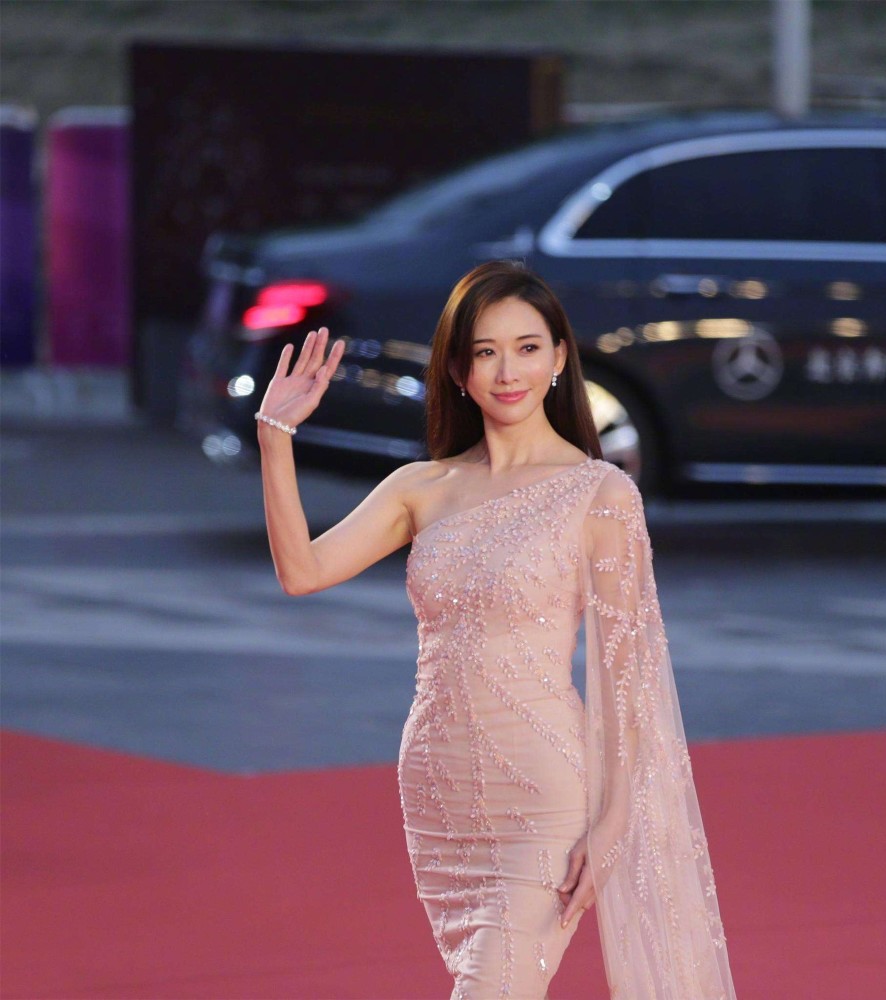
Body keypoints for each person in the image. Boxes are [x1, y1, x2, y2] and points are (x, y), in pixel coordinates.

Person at [257, 261, 737, 999]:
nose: (508, 372)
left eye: (527, 348)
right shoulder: (421, 488)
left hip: (546, 796)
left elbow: (630, 674)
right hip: (437, 788)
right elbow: (302, 570)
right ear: (457, 369)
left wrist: (613, 822)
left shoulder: (599, 494)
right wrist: (275, 435)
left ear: (559, 358)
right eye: (485, 352)